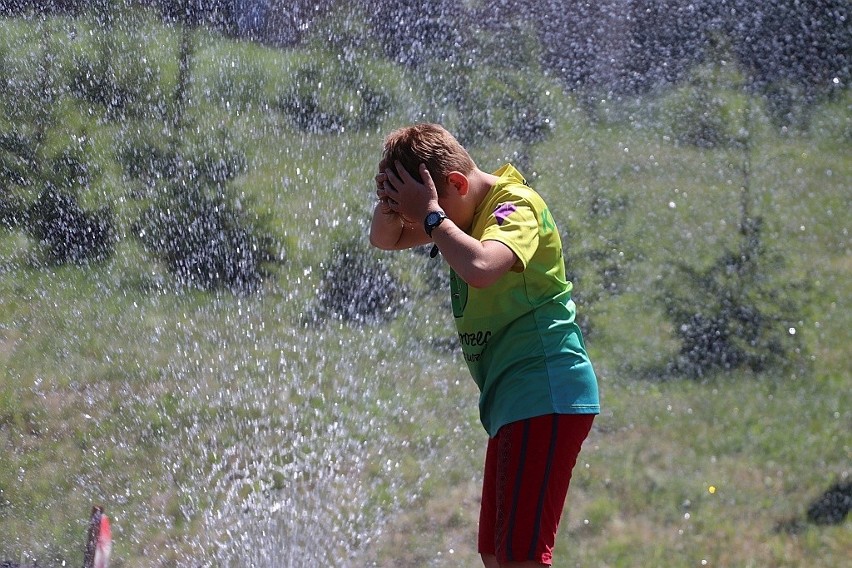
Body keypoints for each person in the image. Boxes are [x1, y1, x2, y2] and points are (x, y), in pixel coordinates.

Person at [369, 123, 600, 568]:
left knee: (521, 557)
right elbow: (386, 239)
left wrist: (432, 217)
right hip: (514, 401)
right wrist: (392, 204)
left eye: (431, 212)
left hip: (545, 391)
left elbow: (481, 266)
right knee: (496, 555)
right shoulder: (463, 212)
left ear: (455, 184)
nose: (427, 229)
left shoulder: (516, 206)